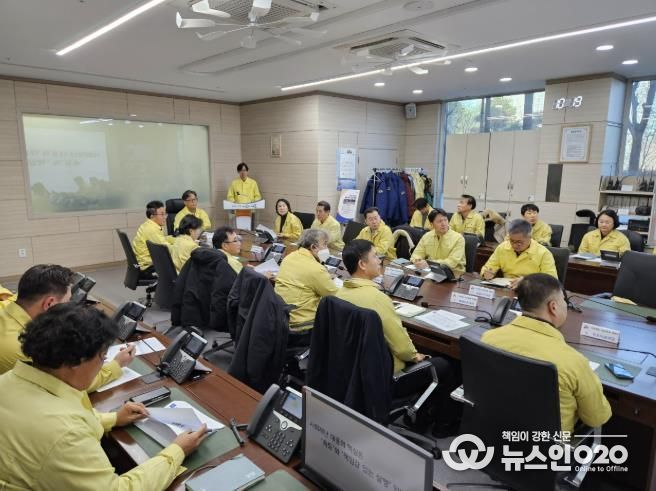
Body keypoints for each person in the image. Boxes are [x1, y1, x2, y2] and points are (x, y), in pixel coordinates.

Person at [0, 303, 208, 490]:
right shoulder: (67, 433)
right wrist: (177, 451)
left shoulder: (7, 381)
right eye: (102, 357)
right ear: (76, 362)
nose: (103, 364)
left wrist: (114, 418)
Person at [337, 240, 460, 434]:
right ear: (362, 264)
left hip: (351, 371)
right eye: (375, 256)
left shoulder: (339, 293)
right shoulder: (377, 298)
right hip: (385, 378)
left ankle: (421, 417)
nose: (380, 260)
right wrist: (415, 356)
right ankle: (439, 426)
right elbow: (403, 349)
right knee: (446, 364)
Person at [482, 273, 612, 434]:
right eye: (564, 301)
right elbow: (597, 418)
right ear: (553, 307)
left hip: (492, 433)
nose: (566, 305)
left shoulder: (488, 339)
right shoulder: (573, 362)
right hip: (546, 446)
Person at [0, 264, 133, 392]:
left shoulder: (8, 310)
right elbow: (71, 383)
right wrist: (117, 364)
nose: (70, 305)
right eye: (68, 300)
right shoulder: (23, 348)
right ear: (49, 303)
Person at [275, 229, 339, 336]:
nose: (327, 249)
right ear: (313, 247)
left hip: (280, 318)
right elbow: (334, 296)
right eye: (325, 244)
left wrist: (324, 276)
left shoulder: (289, 257)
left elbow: (304, 276)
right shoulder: (316, 269)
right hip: (301, 325)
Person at [481, 219, 557, 288]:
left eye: (519, 242)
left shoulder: (544, 253)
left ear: (530, 237)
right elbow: (488, 267)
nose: (514, 245)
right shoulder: (502, 247)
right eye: (512, 241)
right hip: (507, 288)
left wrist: (527, 281)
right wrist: (486, 273)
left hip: (531, 290)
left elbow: (551, 281)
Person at [410, 208, 466, 276]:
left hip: (454, 273)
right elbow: (416, 254)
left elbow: (452, 262)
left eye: (445, 220)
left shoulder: (458, 238)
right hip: (432, 272)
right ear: (432, 224)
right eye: (439, 221)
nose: (443, 224)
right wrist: (418, 261)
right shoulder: (427, 236)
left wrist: (429, 263)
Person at [132, 200, 175, 276]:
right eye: (162, 214)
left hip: (145, 263)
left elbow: (162, 239)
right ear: (152, 216)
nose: (165, 217)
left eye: (165, 214)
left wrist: (178, 239)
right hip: (148, 267)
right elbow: (166, 249)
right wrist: (183, 245)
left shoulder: (149, 225)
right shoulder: (151, 230)